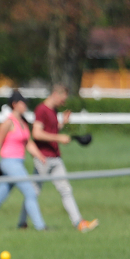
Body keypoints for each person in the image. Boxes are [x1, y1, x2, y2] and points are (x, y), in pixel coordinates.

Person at [17, 85, 99, 232]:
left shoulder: (53, 111)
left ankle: (79, 223)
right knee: (33, 192)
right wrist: (59, 138)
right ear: (55, 94)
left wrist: (62, 124)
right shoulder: (41, 110)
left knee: (65, 190)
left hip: (55, 157)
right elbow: (37, 133)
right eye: (63, 99)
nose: (64, 103)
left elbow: (50, 131)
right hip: (43, 157)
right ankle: (22, 222)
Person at [0, 90, 47, 231]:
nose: (25, 106)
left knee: (0, 194)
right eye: (22, 103)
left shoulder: (23, 122)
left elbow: (28, 143)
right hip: (10, 163)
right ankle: (40, 227)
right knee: (30, 192)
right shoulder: (8, 123)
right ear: (14, 104)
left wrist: (39, 155)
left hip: (18, 162)